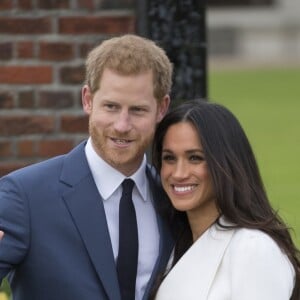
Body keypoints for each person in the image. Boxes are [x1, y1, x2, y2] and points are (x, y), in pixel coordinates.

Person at [0, 34, 174, 300]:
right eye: (111, 107)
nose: (122, 125)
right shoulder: (25, 196)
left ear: (161, 108)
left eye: (137, 110)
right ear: (87, 100)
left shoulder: (173, 199)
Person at [151, 99, 300, 300]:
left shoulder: (253, 247)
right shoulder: (173, 243)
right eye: (169, 158)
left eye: (195, 158)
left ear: (225, 163)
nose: (178, 173)